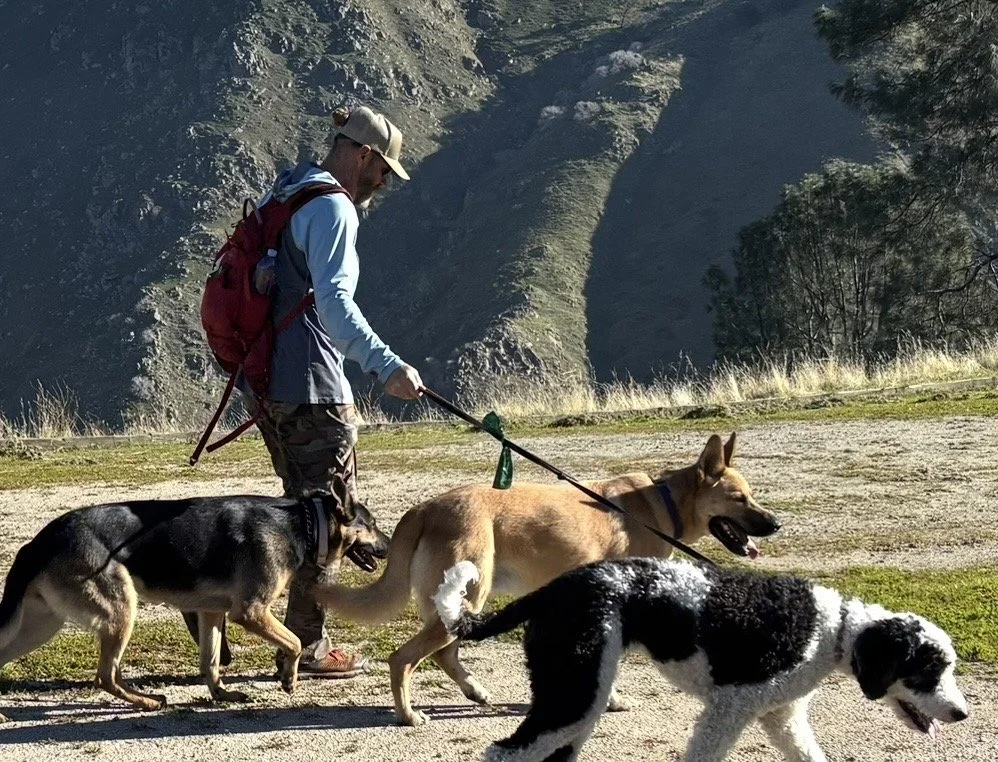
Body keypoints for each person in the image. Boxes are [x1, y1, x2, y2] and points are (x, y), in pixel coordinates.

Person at [186, 105, 423, 678]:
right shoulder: (333, 208)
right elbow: (336, 307)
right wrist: (386, 366)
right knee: (326, 524)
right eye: (383, 169)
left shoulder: (286, 193)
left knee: (292, 514)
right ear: (362, 155)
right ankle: (309, 648)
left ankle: (209, 599)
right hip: (316, 388)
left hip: (268, 388)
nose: (384, 182)